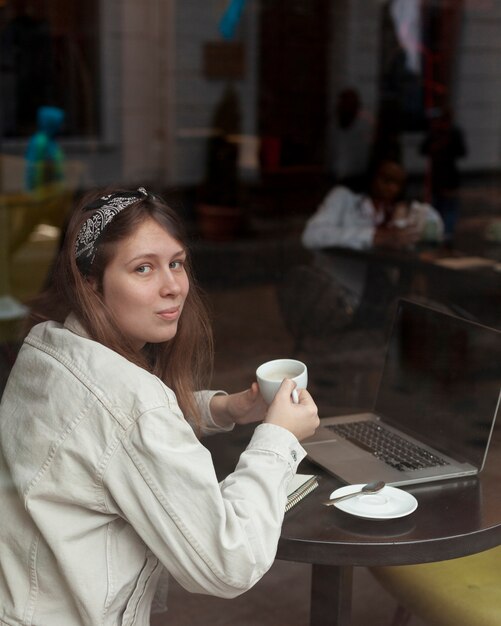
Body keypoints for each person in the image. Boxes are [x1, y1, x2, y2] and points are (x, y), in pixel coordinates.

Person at [0, 187, 319, 625]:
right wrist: (278, 438)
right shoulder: (133, 405)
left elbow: (110, 436)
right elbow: (229, 563)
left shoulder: (49, 346)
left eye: (176, 263)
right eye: (143, 268)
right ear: (90, 283)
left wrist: (225, 409)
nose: (172, 287)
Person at [302, 159, 444, 325]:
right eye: (386, 180)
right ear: (372, 177)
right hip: (341, 294)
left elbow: (435, 230)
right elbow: (311, 236)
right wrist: (372, 236)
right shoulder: (344, 197)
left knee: (420, 311)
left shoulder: (395, 210)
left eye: (398, 183)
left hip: (384, 291)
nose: (391, 187)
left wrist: (413, 214)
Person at [420, 105, 467, 240]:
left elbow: (461, 151)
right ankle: (438, 232)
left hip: (449, 177)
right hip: (437, 177)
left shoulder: (454, 133)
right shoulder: (434, 133)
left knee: (450, 207)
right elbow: (424, 149)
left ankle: (447, 233)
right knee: (438, 207)